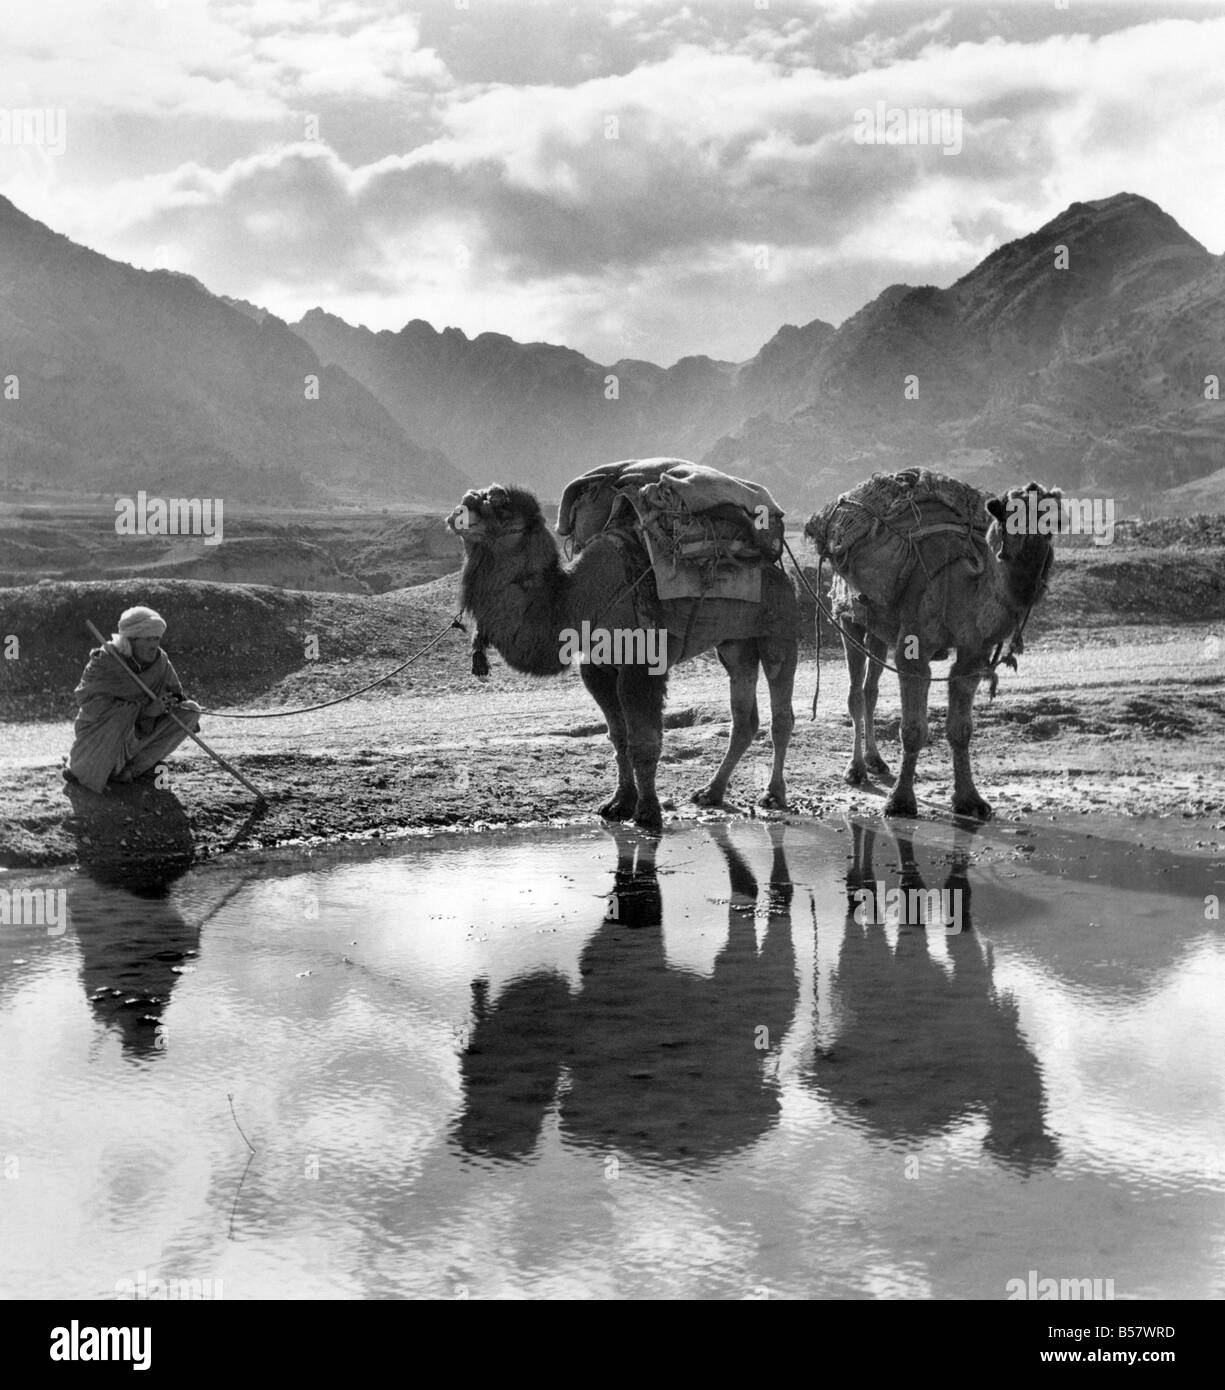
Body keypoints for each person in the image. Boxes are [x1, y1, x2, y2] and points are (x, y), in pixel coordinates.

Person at [65, 606, 202, 792]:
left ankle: (130, 770)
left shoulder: (160, 660)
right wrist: (145, 711)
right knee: (118, 719)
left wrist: (170, 702)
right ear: (130, 639)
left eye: (157, 638)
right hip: (106, 733)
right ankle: (98, 766)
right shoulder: (105, 661)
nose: (154, 645)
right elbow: (90, 704)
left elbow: (176, 691)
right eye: (148, 639)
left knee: (190, 710)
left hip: (145, 731)